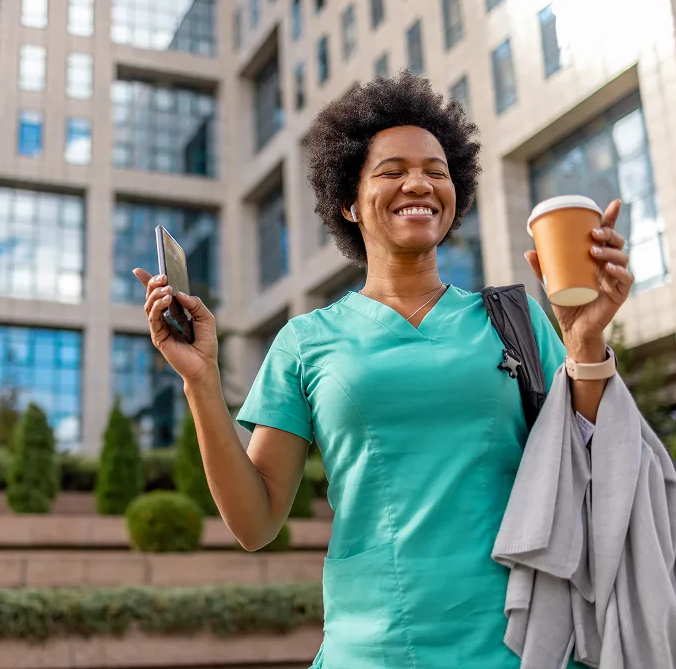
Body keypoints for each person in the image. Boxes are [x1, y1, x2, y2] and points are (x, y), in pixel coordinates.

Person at [131, 71, 634, 668]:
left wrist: (586, 341)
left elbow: (601, 466)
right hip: (372, 651)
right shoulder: (305, 341)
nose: (418, 182)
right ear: (348, 200)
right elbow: (256, 522)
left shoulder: (517, 321)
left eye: (437, 171)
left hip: (526, 649)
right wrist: (200, 381)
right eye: (392, 171)